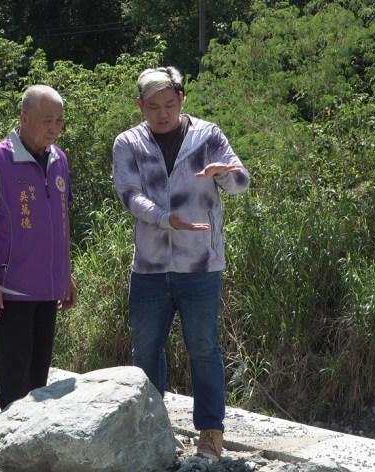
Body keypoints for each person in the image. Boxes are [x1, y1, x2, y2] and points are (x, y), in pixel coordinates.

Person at [112, 67, 250, 461]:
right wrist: (164, 218)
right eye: (153, 107)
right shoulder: (129, 142)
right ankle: (151, 434)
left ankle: (211, 435)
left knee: (204, 350)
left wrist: (225, 175)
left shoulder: (208, 136)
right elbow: (129, 194)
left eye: (170, 105)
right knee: (145, 354)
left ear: (181, 100)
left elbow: (242, 182)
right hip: (149, 267)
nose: (163, 114)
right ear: (140, 105)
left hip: (201, 265)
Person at [0, 84, 78, 410]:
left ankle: (30, 433)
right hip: (11, 289)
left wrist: (66, 274)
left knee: (38, 373)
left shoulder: (59, 159)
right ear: (24, 118)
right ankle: (9, 431)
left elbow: (61, 220)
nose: (54, 128)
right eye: (47, 121)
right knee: (14, 375)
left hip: (48, 288)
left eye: (59, 121)